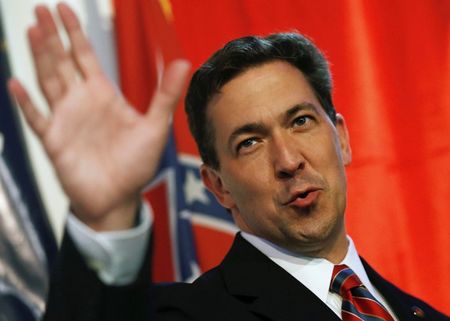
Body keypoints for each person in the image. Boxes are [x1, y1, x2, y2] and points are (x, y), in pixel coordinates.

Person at [7, 3, 448, 321]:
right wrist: (105, 218)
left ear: (343, 139)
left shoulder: (425, 315)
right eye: (250, 143)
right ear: (217, 187)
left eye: (300, 121)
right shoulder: (185, 314)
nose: (289, 160)